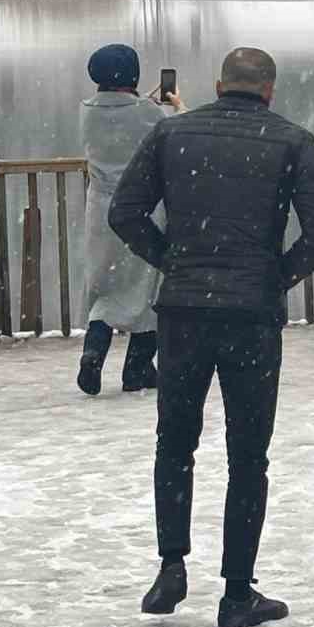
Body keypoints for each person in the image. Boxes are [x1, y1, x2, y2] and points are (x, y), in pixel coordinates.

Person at [109, 47, 314, 627]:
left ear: (218, 85)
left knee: (175, 440)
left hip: (184, 311)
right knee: (248, 456)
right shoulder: (291, 141)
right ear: (270, 89)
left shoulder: (174, 134)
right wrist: (276, 274)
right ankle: (237, 594)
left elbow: (125, 212)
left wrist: (172, 260)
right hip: (251, 318)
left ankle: (170, 566)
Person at [77, 44, 184, 396]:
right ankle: (137, 369)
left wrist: (146, 103)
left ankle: (93, 352)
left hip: (101, 213)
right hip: (142, 211)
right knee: (146, 289)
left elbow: (123, 116)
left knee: (105, 288)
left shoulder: (86, 112)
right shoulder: (150, 114)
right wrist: (177, 106)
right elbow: (180, 135)